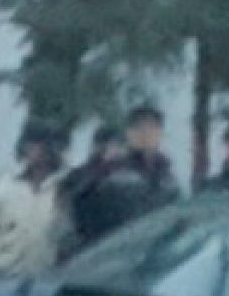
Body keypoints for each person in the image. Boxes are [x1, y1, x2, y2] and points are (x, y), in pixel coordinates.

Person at [63, 105, 180, 250]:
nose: (146, 135)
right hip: (115, 255)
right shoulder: (111, 171)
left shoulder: (168, 180)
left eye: (152, 128)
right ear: (129, 134)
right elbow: (81, 211)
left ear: (160, 133)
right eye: (139, 128)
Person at [0, 118, 67, 278]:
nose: (31, 151)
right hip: (6, 275)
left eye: (38, 145)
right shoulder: (7, 186)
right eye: (28, 145)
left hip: (46, 278)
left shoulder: (63, 188)